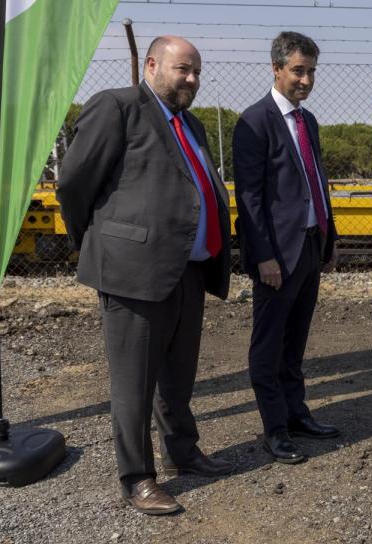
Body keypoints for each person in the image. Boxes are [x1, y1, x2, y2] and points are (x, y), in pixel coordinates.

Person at [57, 36, 235, 515]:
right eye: (183, 70)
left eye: (197, 71)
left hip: (188, 270)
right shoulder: (117, 107)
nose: (192, 80)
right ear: (152, 64)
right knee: (134, 385)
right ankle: (137, 477)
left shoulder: (191, 123)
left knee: (178, 376)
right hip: (133, 273)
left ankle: (183, 451)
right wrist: (101, 242)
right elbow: (74, 183)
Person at [233, 32, 340, 466]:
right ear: (276, 68)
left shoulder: (307, 121)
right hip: (277, 255)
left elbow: (316, 184)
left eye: (312, 71)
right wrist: (263, 256)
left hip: (310, 248)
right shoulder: (254, 121)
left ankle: (297, 414)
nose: (307, 79)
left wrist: (329, 239)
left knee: (295, 342)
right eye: (298, 70)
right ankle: (274, 429)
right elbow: (250, 198)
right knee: (268, 346)